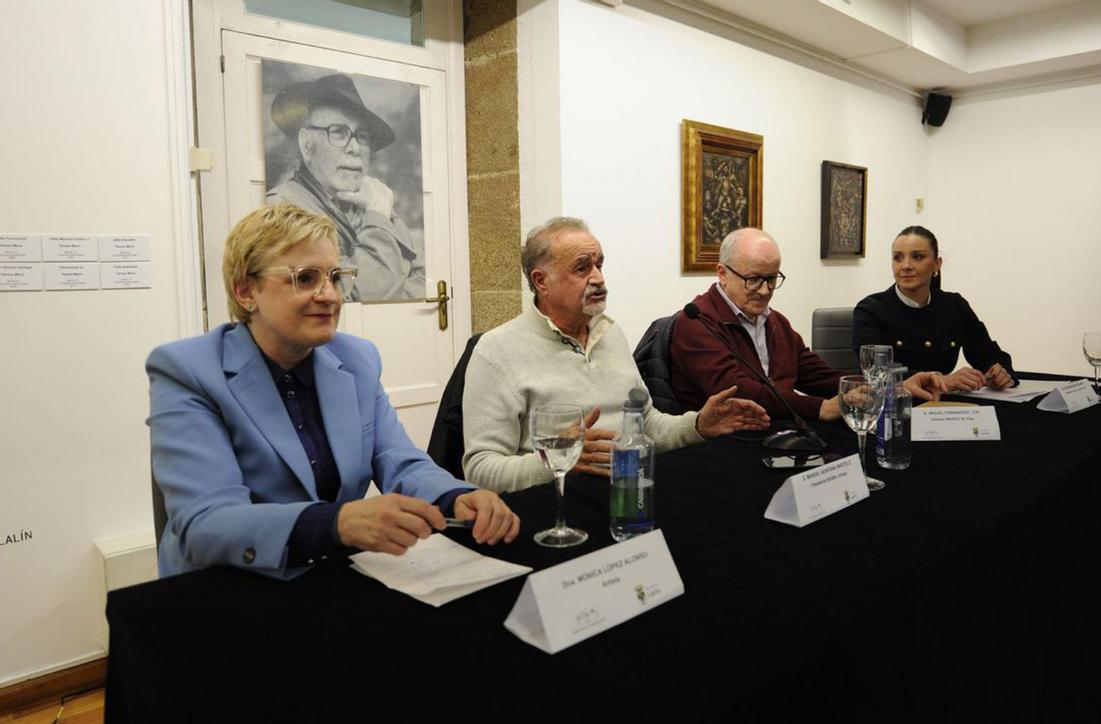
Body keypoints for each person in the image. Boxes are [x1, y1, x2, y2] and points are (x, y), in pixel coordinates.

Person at [146, 204, 517, 579]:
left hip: (329, 572)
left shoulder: (356, 358)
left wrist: (453, 497)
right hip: (226, 587)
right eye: (305, 278)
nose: (330, 295)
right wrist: (337, 523)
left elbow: (397, 458)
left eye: (336, 277)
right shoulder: (187, 370)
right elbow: (206, 522)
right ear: (246, 292)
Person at [461, 217, 770, 492]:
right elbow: (480, 469)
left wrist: (698, 424)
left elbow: (646, 424)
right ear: (541, 281)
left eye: (599, 264)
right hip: (556, 504)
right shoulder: (497, 351)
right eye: (582, 268)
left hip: (630, 489)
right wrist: (557, 459)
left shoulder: (609, 333)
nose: (598, 278)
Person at [671, 228, 946, 422]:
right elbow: (737, 391)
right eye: (753, 279)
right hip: (723, 446)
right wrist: (820, 408)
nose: (765, 290)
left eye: (772, 278)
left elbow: (818, 376)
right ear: (722, 273)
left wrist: (892, 387)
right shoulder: (696, 323)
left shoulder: (774, 322)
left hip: (778, 435)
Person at [266, 72, 423, 301]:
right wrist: (379, 215)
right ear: (307, 145)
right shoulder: (281, 211)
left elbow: (423, 280)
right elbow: (362, 297)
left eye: (362, 136)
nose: (355, 148)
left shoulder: (369, 202)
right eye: (338, 132)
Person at [853, 226, 1017, 392]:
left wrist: (999, 373)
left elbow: (988, 354)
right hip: (894, 407)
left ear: (937, 264)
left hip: (945, 407)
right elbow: (876, 374)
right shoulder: (871, 310)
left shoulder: (954, 306)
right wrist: (940, 380)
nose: (906, 266)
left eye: (917, 257)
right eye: (898, 258)